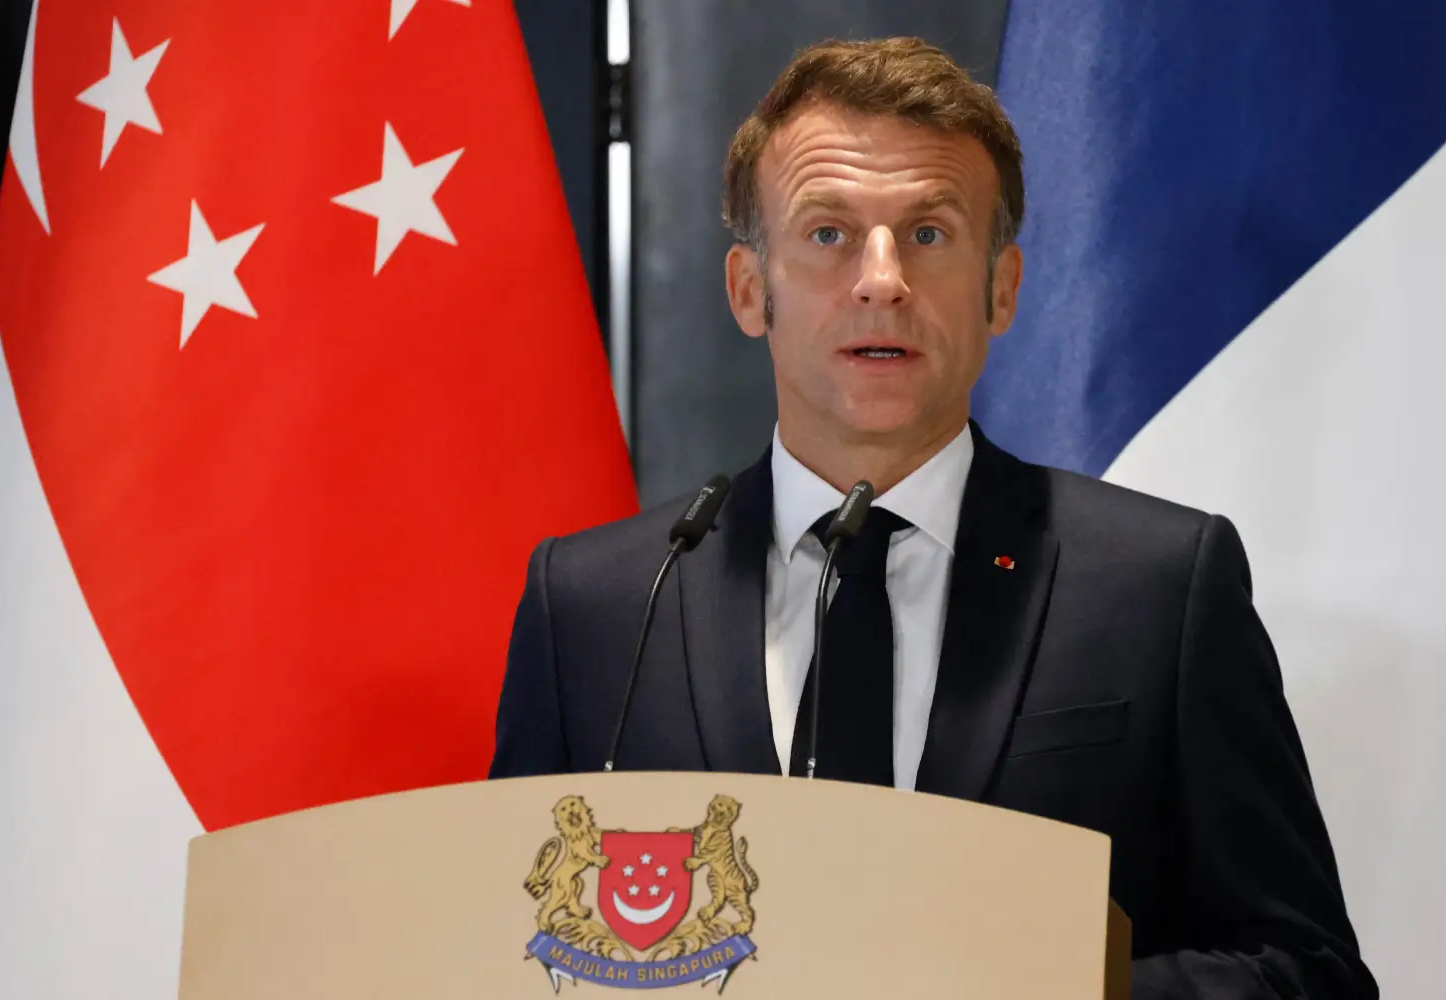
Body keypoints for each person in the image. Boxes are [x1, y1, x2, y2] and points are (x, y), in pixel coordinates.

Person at [490, 37, 1376, 999]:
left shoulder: (1161, 584)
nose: (882, 279)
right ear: (750, 291)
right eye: (828, 233)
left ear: (1002, 289)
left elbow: (1308, 971)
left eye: (928, 233)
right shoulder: (599, 604)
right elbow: (503, 954)